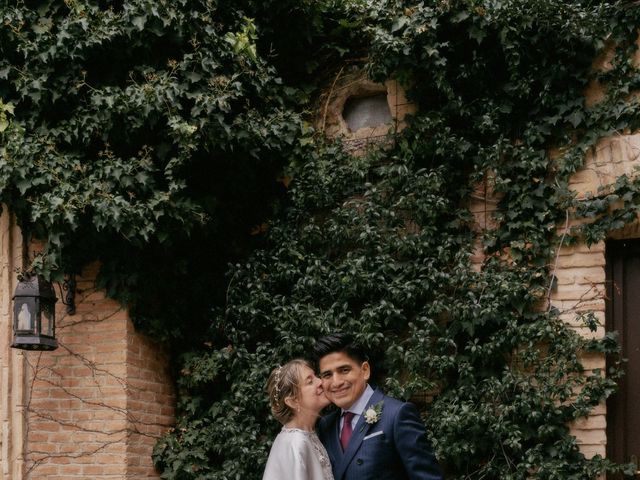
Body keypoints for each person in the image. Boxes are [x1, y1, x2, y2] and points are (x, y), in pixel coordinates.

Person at [314, 333, 443, 480]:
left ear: (365, 370)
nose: (336, 382)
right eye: (327, 375)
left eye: (344, 370)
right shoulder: (326, 425)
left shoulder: (396, 415)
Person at [263, 359, 335, 480]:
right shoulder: (296, 443)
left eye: (316, 376)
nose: (320, 381)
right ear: (292, 401)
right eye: (310, 381)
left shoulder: (307, 434)